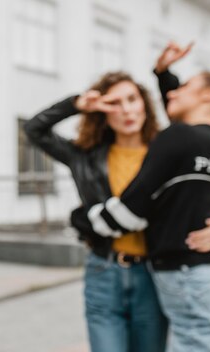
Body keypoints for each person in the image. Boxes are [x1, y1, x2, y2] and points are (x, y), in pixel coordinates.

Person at [72, 42, 210, 352]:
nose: (172, 92)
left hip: (188, 280)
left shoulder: (178, 137)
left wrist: (81, 218)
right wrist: (163, 73)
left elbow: (130, 213)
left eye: (186, 85)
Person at [24, 72, 169, 352]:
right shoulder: (84, 155)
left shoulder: (164, 152)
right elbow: (34, 130)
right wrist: (76, 104)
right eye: (115, 103)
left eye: (132, 99)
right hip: (104, 272)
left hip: (153, 275)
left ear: (145, 104)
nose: (126, 110)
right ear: (102, 112)